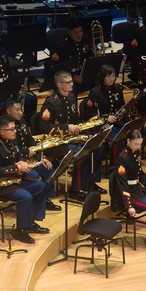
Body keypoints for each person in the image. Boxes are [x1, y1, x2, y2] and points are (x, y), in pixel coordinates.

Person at [0, 116, 51, 244]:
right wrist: (15, 167)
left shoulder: (11, 141)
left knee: (40, 186)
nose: (15, 131)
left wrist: (22, 162)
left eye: (14, 128)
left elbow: (17, 156)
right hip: (0, 185)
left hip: (14, 179)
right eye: (11, 129)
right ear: (2, 132)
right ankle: (20, 230)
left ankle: (30, 222)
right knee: (25, 196)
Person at [35, 72, 85, 200]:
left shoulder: (72, 97)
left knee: (94, 147)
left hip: (69, 139)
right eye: (68, 82)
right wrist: (66, 127)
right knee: (81, 153)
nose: (71, 84)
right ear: (59, 84)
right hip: (55, 144)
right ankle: (75, 189)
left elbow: (76, 119)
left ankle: (86, 184)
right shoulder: (50, 103)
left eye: (71, 81)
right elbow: (44, 127)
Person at [46, 18, 95, 93]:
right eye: (75, 32)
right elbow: (58, 68)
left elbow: (89, 57)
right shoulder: (62, 45)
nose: (79, 35)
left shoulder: (86, 39)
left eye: (80, 31)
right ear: (69, 32)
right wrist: (74, 76)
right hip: (68, 77)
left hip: (82, 75)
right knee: (71, 88)